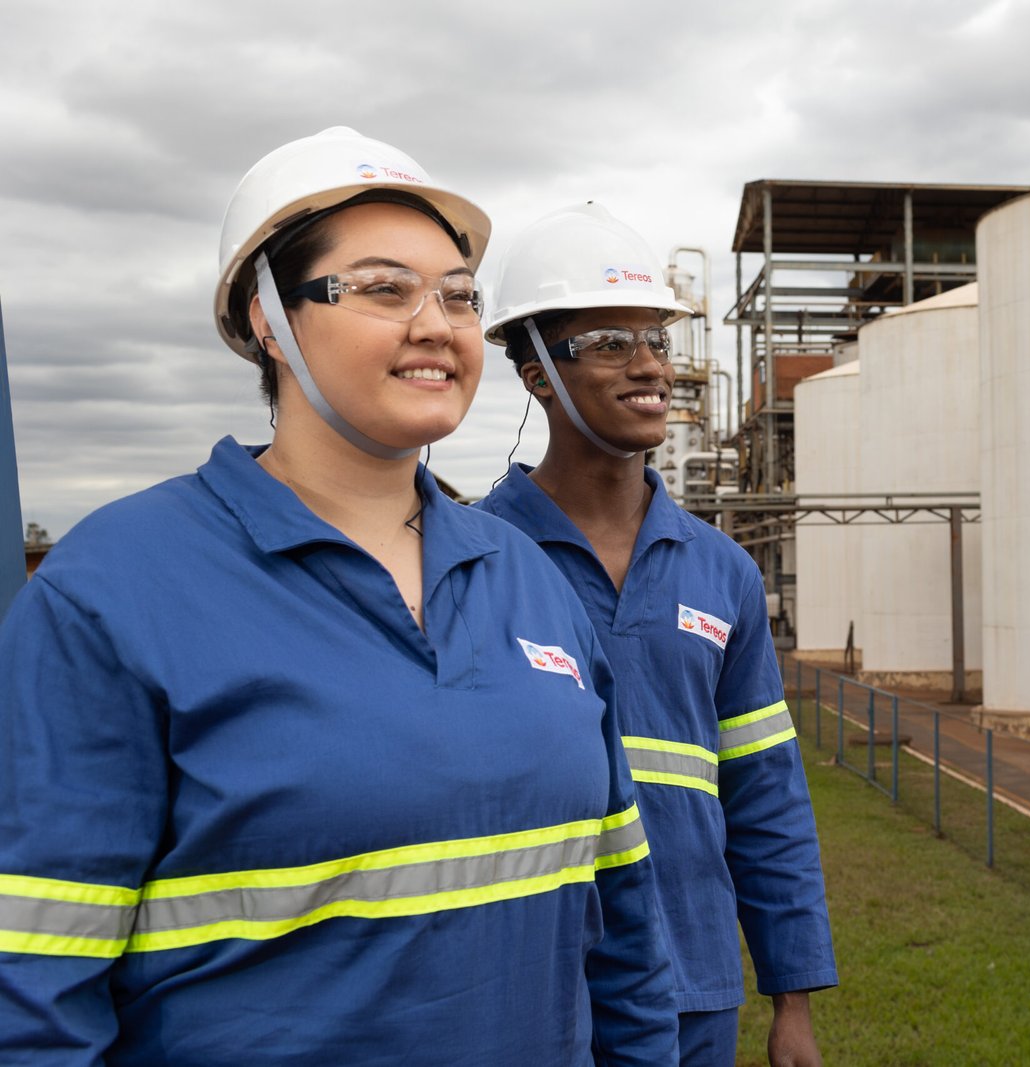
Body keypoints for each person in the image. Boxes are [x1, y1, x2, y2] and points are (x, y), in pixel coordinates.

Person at [0, 129, 677, 1064]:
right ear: (268, 318)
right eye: (383, 288)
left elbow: (627, 930)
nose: (437, 324)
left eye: (459, 294)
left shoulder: (526, 579)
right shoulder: (114, 590)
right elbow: (31, 992)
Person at [475, 203, 837, 1067]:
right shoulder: (475, 560)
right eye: (610, 342)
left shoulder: (721, 572)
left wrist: (793, 1001)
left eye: (657, 342)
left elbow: (765, 795)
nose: (649, 367)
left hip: (693, 984)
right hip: (530, 990)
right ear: (537, 376)